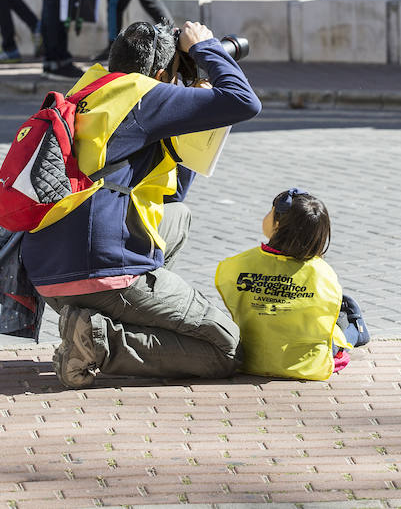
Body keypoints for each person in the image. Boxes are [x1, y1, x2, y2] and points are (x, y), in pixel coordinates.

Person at [20, 19, 262, 387]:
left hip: (47, 273)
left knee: (178, 217)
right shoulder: (145, 95)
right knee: (226, 349)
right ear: (162, 74)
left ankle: (95, 319)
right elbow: (244, 100)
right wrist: (205, 50)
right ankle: (98, 343)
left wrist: (188, 114)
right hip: (98, 269)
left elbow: (172, 196)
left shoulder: (92, 84)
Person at [215, 188, 370, 382]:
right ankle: (357, 330)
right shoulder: (323, 273)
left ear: (277, 224)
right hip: (306, 364)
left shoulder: (238, 263)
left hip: (249, 359)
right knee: (343, 317)